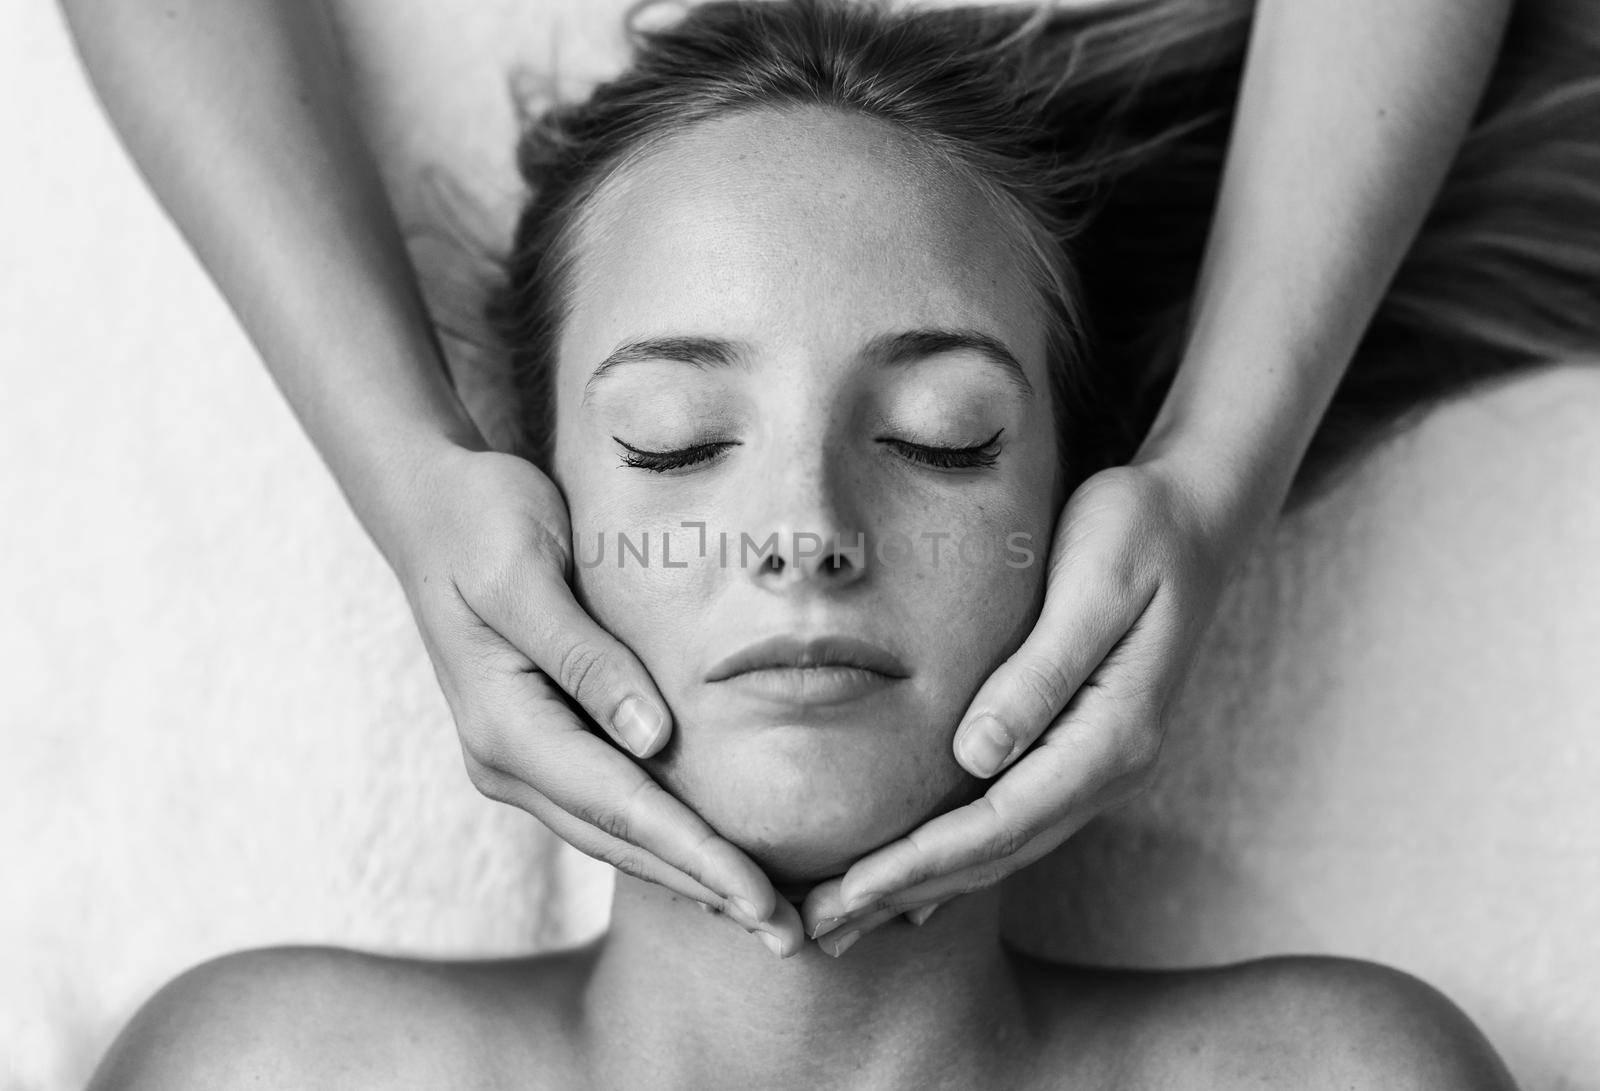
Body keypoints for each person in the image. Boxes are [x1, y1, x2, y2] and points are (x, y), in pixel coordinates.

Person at [89, 1, 1598, 1085]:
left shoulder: (1330, 1078)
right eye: (674, 439)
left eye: (943, 438)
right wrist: (402, 475)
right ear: (530, 521)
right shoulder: (269, 1066)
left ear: (1083, 524)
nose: (805, 534)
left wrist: (1217, 474)